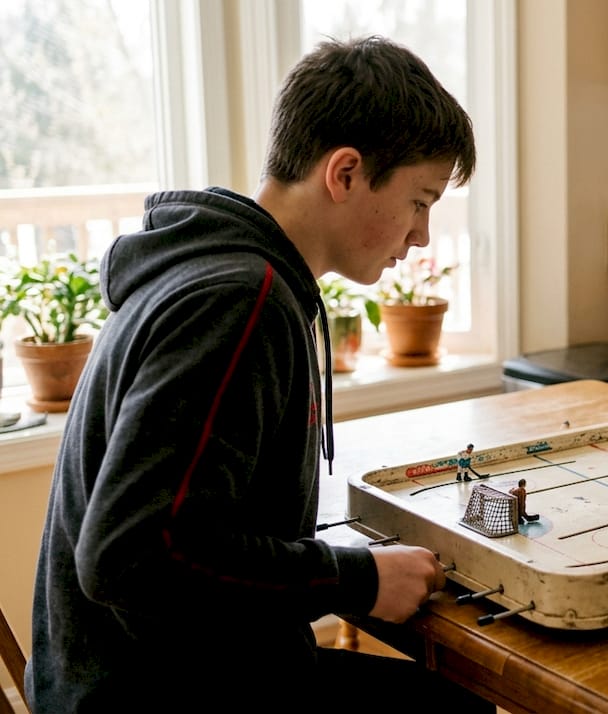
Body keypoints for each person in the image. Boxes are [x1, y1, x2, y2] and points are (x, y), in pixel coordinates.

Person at [26, 36, 492, 712]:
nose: (422, 235)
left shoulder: (231, 273)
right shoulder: (239, 299)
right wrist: (353, 580)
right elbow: (131, 557)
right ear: (346, 173)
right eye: (420, 201)